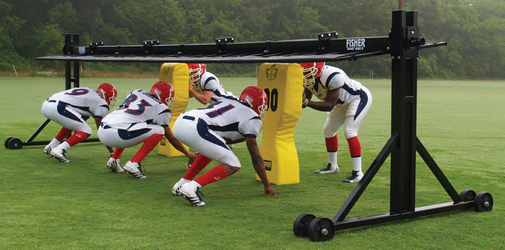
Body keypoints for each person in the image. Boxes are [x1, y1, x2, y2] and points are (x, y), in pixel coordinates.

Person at [171, 86, 277, 207]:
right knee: (233, 164)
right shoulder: (252, 118)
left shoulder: (229, 100)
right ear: (258, 106)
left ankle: (180, 184)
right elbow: (255, 157)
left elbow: (223, 135)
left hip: (181, 122)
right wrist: (267, 184)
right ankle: (191, 187)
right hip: (197, 127)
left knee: (212, 150)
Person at [98, 81, 198, 178]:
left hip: (103, 129)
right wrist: (187, 153)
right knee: (160, 130)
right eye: (168, 98)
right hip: (118, 135)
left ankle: (114, 160)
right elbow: (170, 137)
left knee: (131, 122)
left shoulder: (136, 92)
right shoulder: (161, 108)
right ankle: (134, 163)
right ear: (162, 96)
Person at [299, 62, 372, 183]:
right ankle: (332, 166)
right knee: (328, 131)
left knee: (350, 131)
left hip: (357, 97)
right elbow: (305, 99)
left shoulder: (331, 76)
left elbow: (328, 105)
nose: (304, 75)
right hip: (341, 102)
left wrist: (307, 102)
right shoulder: (309, 79)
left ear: (316, 70)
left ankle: (358, 172)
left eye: (306, 72)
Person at [42, 83, 117, 163]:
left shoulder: (88, 90)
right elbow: (101, 129)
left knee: (75, 124)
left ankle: (51, 146)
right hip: (59, 107)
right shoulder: (101, 103)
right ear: (107, 95)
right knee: (86, 130)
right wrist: (112, 151)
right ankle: (59, 149)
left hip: (47, 104)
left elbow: (82, 117)